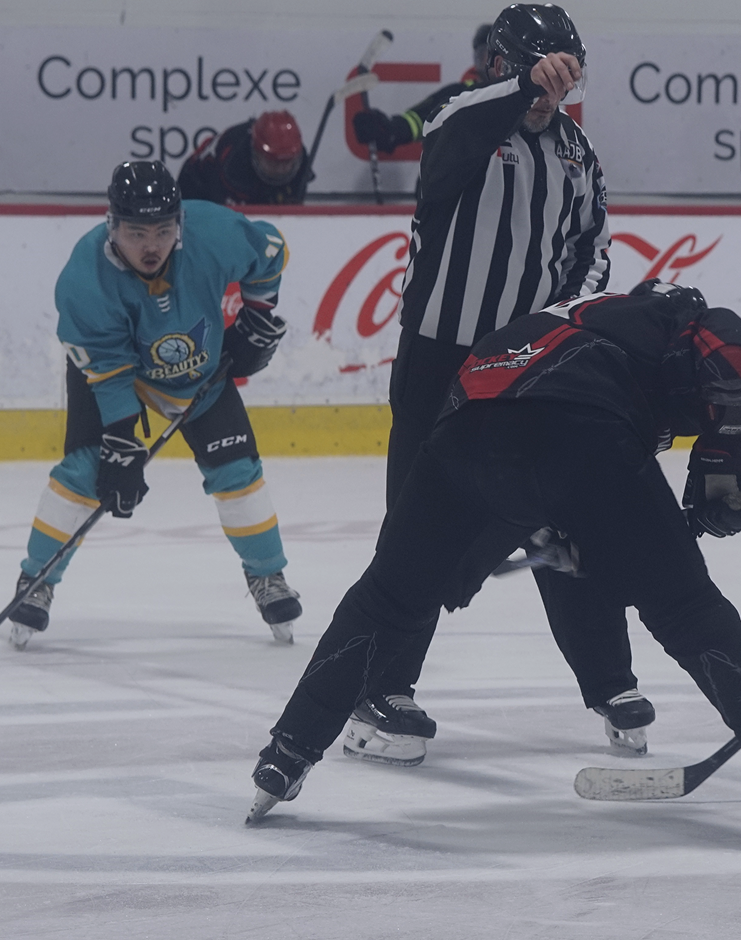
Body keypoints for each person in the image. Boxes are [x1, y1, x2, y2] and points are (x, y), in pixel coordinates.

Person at [246, 285, 741, 840]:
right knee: (689, 609)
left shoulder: (601, 322)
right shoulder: (685, 324)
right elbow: (720, 365)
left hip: (461, 434)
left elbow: (527, 442)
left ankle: (285, 755)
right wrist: (718, 480)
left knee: (388, 601)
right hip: (580, 437)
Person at [339, 3, 647, 770]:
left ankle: (610, 680)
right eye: (541, 76)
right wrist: (522, 89)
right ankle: (381, 687)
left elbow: (593, 247)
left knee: (566, 517)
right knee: (415, 529)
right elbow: (461, 139)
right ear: (502, 67)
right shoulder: (460, 116)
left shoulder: (577, 151)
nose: (553, 95)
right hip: (439, 361)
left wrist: (559, 326)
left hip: (525, 365)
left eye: (565, 79)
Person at [5, 161, 302, 650]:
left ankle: (268, 576)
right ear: (112, 225)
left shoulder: (214, 233)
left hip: (199, 372)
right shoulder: (85, 277)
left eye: (163, 231)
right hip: (117, 374)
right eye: (137, 233)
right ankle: (36, 580)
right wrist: (122, 440)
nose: (151, 246)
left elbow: (271, 252)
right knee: (86, 471)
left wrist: (257, 315)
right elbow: (108, 369)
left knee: (237, 471)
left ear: (179, 223)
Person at [352, 24, 494, 156]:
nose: (491, 63)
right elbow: (418, 120)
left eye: (496, 56)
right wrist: (389, 129)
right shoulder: (457, 95)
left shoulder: (509, 99)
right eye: (484, 54)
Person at [178, 111, 311, 206]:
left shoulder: (300, 160)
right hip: (198, 187)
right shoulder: (233, 165)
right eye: (273, 163)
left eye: (287, 162)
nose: (281, 170)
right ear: (256, 154)